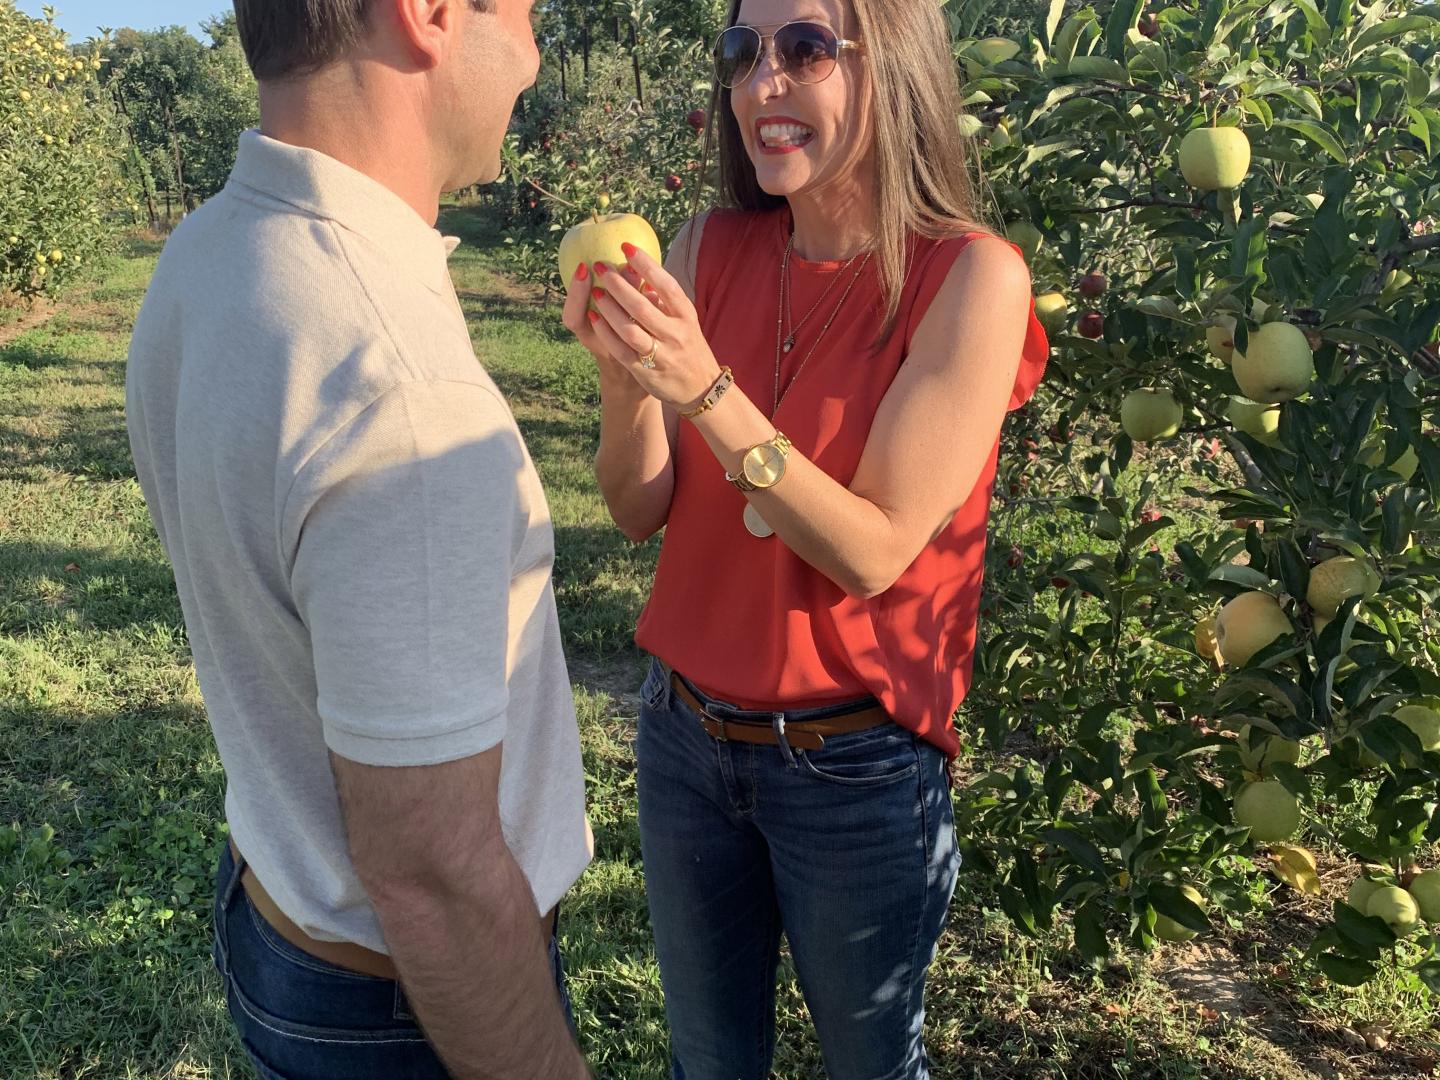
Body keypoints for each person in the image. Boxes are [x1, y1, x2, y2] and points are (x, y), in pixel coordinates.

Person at [562, 0, 1048, 1076]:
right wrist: (624, 379)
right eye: (742, 52)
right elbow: (638, 508)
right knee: (708, 1061)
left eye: (805, 48)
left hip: (856, 767)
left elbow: (875, 550)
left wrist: (704, 387)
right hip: (684, 740)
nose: (760, 82)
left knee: (872, 1064)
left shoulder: (971, 278)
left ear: (897, 67)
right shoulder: (704, 248)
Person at [124, 2, 593, 1077]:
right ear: (428, 14)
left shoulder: (210, 253)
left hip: (280, 912)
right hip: (410, 1004)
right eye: (523, 13)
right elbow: (429, 866)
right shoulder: (395, 386)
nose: (532, 51)